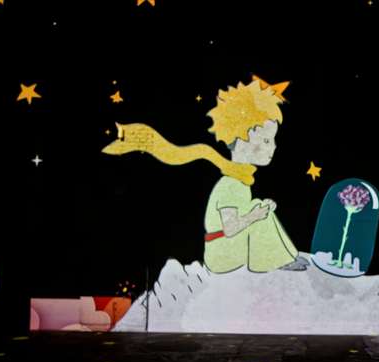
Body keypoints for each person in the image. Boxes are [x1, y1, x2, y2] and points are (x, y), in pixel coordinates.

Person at [102, 79, 308, 273]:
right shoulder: (231, 184)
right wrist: (255, 216)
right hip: (222, 255)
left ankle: (285, 257)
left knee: (260, 207)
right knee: (259, 214)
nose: (273, 147)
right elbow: (230, 228)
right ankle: (278, 261)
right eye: (266, 141)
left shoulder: (239, 179)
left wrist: (258, 211)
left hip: (227, 247)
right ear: (243, 138)